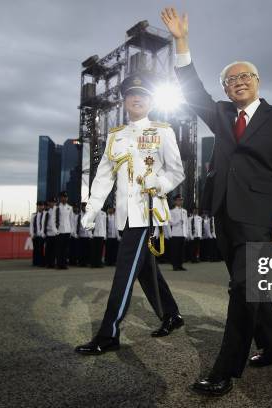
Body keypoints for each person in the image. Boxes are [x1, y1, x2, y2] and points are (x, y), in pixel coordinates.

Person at [162, 7, 272, 396]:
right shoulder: (221, 115)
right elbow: (191, 88)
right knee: (248, 286)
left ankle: (224, 369)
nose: (237, 82)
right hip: (224, 213)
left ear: (257, 81)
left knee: (242, 288)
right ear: (224, 90)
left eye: (244, 76)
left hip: (262, 217)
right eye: (230, 79)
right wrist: (181, 42)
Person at [75, 73, 185, 356]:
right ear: (125, 101)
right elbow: (103, 177)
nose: (137, 98)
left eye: (144, 95)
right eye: (132, 95)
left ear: (150, 101)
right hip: (124, 216)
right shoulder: (115, 137)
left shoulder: (163, 131)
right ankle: (171, 314)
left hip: (147, 214)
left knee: (124, 271)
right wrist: (92, 209)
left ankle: (108, 333)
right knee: (146, 271)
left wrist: (159, 184)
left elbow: (176, 172)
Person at [169, 194, 188, 270]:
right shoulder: (172, 211)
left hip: (182, 233)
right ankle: (175, 266)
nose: (180, 201)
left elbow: (186, 223)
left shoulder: (184, 211)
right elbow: (171, 222)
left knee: (181, 251)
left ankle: (180, 265)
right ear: (175, 201)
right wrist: (178, 221)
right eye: (179, 200)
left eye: (181, 200)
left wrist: (186, 233)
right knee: (175, 251)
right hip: (175, 233)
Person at [42, 197, 58, 268]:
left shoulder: (58, 211)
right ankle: (48, 263)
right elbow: (43, 223)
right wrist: (43, 232)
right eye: (51, 202)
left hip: (55, 234)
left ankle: (53, 263)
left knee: (54, 250)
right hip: (48, 233)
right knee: (48, 250)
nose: (52, 204)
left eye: (54, 202)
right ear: (49, 203)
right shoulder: (46, 212)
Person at [30, 201, 46, 267]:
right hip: (35, 235)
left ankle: (41, 262)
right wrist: (32, 234)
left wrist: (44, 234)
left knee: (41, 249)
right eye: (39, 205)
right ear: (37, 206)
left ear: (43, 206)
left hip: (42, 235)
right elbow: (31, 226)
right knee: (35, 249)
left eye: (41, 205)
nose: (40, 207)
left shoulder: (45, 214)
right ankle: (35, 262)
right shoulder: (34, 215)